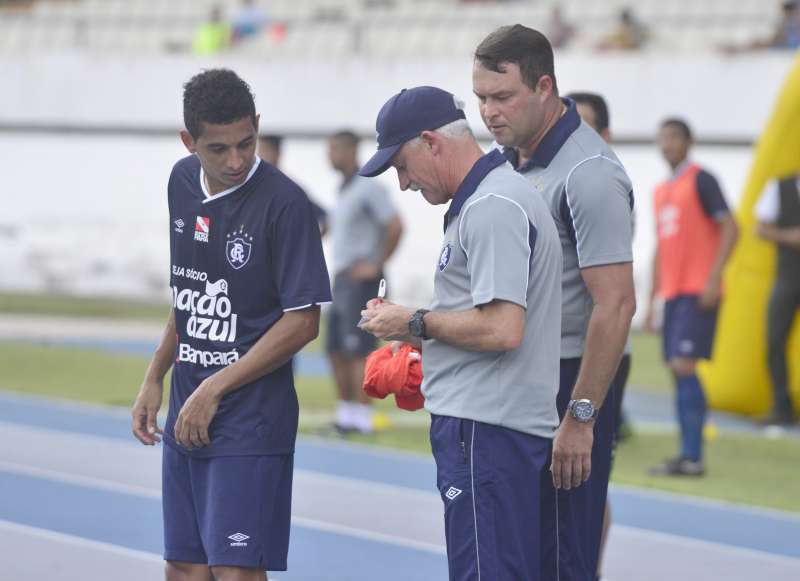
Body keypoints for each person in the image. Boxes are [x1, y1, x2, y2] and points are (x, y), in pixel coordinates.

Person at [131, 69, 331, 581]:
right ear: (189, 141)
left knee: (235, 572)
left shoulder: (286, 203)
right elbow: (190, 288)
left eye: (246, 143)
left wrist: (215, 387)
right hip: (188, 405)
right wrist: (155, 375)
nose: (236, 160)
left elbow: (304, 322)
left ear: (257, 125)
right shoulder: (180, 182)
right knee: (184, 568)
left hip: (250, 420)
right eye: (218, 149)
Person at [359, 85, 563, 581]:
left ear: (431, 142)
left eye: (401, 165)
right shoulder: (493, 197)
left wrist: (413, 322)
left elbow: (502, 327)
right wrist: (417, 335)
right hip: (493, 428)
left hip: (486, 431)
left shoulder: (492, 205)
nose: (403, 183)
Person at [472, 25, 636, 581]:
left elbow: (616, 305)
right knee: (516, 550)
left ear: (544, 88)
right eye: (481, 98)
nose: (489, 112)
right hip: (518, 379)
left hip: (568, 380)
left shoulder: (589, 174)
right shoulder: (510, 159)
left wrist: (581, 418)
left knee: (562, 557)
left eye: (502, 96)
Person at [645, 118, 739, 476]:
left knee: (684, 365)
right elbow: (660, 246)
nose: (667, 144)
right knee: (676, 369)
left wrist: (714, 279)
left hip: (697, 289)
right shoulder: (660, 190)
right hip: (673, 292)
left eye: (673, 137)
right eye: (662, 138)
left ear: (689, 142)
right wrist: (652, 299)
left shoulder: (702, 179)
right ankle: (687, 454)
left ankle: (693, 456)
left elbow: (731, 227)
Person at [567, 90, 632, 581]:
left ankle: (590, 569)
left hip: (601, 352)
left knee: (587, 479)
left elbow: (615, 299)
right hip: (559, 354)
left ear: (605, 134)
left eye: (584, 128)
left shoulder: (603, 184)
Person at [326, 130, 403, 434]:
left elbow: (395, 225)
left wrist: (376, 263)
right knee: (335, 348)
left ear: (351, 150)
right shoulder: (343, 189)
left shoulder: (368, 187)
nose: (330, 155)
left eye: (336, 149)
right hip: (342, 278)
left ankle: (362, 418)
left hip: (361, 282)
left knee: (358, 349)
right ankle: (345, 416)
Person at [755, 172, 800, 426]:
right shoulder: (778, 186)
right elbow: (761, 229)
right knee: (774, 341)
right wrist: (789, 236)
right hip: (788, 276)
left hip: (787, 277)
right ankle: (782, 408)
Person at [257, 133, 328, 235]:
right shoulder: (253, 187)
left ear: (277, 153)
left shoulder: (289, 188)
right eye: (259, 151)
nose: (260, 156)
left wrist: (308, 241)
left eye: (265, 150)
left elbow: (323, 218)